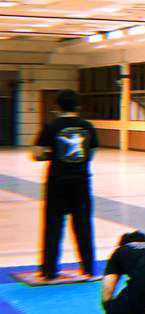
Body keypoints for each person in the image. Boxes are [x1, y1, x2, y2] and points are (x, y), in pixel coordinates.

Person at [32, 89, 99, 282]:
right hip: (81, 182)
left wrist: (52, 154)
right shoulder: (87, 127)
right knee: (84, 227)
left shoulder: (51, 127)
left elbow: (37, 154)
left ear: (57, 107)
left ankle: (49, 271)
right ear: (77, 107)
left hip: (57, 183)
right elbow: (91, 154)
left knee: (53, 227)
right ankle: (88, 268)